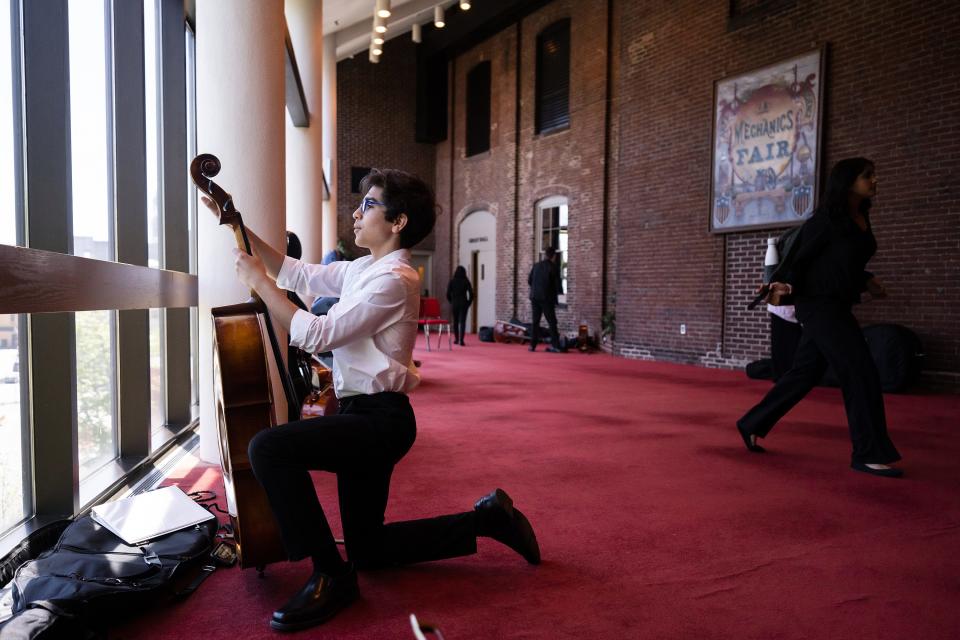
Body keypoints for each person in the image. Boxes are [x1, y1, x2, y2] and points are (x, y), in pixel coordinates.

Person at [203, 168, 540, 632]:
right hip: (360, 415)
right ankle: (485, 520)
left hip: (380, 422)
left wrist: (262, 286)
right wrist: (236, 223)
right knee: (369, 549)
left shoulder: (396, 279)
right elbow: (294, 271)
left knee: (268, 447)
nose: (357, 213)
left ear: (398, 221)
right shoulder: (364, 269)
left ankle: (330, 575)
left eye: (369, 206)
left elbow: (317, 333)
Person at [736, 157, 902, 478]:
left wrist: (866, 280)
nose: (875, 180)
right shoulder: (826, 220)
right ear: (847, 181)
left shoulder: (861, 217)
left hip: (837, 305)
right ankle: (868, 453)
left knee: (805, 373)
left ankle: (752, 423)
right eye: (868, 176)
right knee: (860, 371)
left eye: (874, 174)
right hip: (818, 307)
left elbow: (842, 264)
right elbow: (798, 262)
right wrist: (785, 284)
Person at [527, 246, 565, 353]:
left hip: (534, 297)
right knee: (552, 322)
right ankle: (556, 345)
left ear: (545, 255)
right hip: (546, 298)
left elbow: (529, 281)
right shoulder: (553, 267)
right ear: (553, 256)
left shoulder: (536, 266)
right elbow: (558, 285)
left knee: (535, 322)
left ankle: (532, 346)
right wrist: (560, 294)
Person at [446, 265, 473, 346]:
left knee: (455, 321)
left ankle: (456, 339)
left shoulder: (452, 281)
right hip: (464, 302)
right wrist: (469, 303)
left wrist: (451, 301)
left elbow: (447, 294)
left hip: (455, 303)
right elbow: (471, 293)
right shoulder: (466, 281)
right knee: (463, 322)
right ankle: (461, 340)